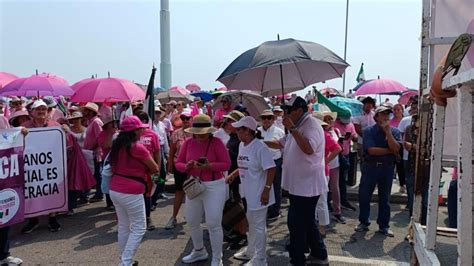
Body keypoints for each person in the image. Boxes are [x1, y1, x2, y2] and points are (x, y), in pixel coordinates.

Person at [265, 96, 328, 265]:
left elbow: (308, 148)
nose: (285, 113)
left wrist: (292, 128)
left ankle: (297, 258)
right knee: (307, 222)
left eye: (288, 110)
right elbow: (280, 143)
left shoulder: (311, 124)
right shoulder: (298, 125)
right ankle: (319, 253)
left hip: (307, 185)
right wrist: (259, 141)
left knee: (296, 223)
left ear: (299, 111)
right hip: (298, 185)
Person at [175, 114, 231, 265]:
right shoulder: (188, 143)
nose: (200, 136)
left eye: (204, 133)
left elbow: (226, 164)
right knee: (192, 221)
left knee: (213, 223)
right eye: (198, 133)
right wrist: (186, 166)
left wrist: (209, 166)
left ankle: (217, 257)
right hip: (194, 184)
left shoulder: (217, 142)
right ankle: (199, 250)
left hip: (214, 185)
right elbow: (178, 163)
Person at [109, 116, 159, 266]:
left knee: (124, 226)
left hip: (115, 189)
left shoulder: (117, 145)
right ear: (135, 131)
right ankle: (125, 262)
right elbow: (155, 167)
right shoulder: (137, 147)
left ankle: (125, 259)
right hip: (131, 190)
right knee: (139, 227)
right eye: (140, 128)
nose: (143, 130)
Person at [228, 116, 276, 265]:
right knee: (252, 223)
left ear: (248, 131)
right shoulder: (243, 145)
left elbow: (271, 168)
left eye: (239, 130)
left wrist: (266, 190)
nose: (236, 132)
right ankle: (251, 251)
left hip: (260, 193)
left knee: (259, 226)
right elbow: (245, 164)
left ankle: (261, 259)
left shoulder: (260, 147)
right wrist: (234, 173)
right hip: (248, 192)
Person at [355, 105, 401, 237]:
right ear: (376, 117)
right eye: (383, 114)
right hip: (371, 167)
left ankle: (384, 225)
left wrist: (388, 133)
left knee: (385, 198)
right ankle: (364, 222)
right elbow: (371, 150)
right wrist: (390, 150)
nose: (386, 116)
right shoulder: (368, 131)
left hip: (387, 168)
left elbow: (397, 148)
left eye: (388, 114)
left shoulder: (394, 131)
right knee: (364, 195)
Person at [21, 100, 62, 233]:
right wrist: (20, 134)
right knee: (33, 190)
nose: (41, 111)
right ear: (31, 112)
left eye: (44, 109)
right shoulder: (25, 126)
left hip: (51, 164)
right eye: (38, 109)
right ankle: (33, 220)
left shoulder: (55, 125)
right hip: (32, 166)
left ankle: (52, 218)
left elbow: (63, 144)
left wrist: (65, 132)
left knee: (51, 188)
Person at [164, 110, 193, 229]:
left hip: (192, 167)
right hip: (179, 166)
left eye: (187, 118)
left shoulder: (196, 133)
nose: (185, 120)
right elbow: (172, 151)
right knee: (179, 192)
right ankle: (174, 217)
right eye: (183, 118)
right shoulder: (176, 133)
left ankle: (191, 215)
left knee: (193, 192)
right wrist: (170, 165)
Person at [135, 111, 161, 231]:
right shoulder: (131, 135)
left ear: (145, 122)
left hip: (149, 171)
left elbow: (157, 152)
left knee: (147, 194)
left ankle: (147, 218)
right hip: (134, 172)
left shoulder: (153, 135)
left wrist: (157, 168)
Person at [318, 111, 346, 224]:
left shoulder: (335, 131)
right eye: (326, 119)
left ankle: (337, 211)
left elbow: (339, 148)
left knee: (335, 188)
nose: (328, 121)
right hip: (324, 165)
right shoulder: (321, 132)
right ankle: (324, 213)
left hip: (334, 163)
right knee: (324, 190)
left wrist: (327, 160)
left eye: (330, 119)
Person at [257, 109, 285, 221]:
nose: (266, 120)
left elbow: (283, 148)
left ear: (273, 119)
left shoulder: (279, 131)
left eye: (269, 117)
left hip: (275, 161)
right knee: (263, 185)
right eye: (264, 118)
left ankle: (275, 210)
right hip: (261, 163)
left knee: (276, 186)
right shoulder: (257, 131)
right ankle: (266, 207)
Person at [333, 114, 358, 211]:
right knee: (334, 181)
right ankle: (332, 201)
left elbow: (355, 136)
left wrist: (353, 137)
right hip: (335, 155)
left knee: (343, 179)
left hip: (346, 153)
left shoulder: (350, 125)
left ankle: (343, 200)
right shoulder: (334, 125)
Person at [82, 102, 104, 202]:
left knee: (97, 174)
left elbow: (100, 137)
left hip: (95, 152)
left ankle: (99, 193)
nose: (84, 112)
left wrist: (92, 147)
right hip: (91, 151)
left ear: (91, 112)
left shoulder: (96, 122)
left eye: (86, 110)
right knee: (94, 173)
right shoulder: (90, 121)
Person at [97, 116, 119, 210]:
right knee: (108, 182)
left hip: (118, 161)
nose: (113, 125)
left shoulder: (118, 133)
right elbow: (106, 146)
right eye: (111, 123)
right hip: (108, 161)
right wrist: (110, 134)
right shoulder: (102, 134)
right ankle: (109, 202)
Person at [352, 96, 376, 167]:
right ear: (363, 104)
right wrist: (367, 137)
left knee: (372, 160)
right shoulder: (357, 114)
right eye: (367, 103)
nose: (369, 105)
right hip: (361, 141)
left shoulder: (374, 114)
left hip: (373, 141)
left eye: (371, 104)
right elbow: (357, 129)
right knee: (363, 160)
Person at [390, 103, 406, 193]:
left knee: (401, 167)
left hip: (402, 147)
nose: (396, 111)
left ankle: (402, 184)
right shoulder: (390, 121)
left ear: (402, 111)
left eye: (398, 109)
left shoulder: (404, 121)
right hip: (391, 147)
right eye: (394, 109)